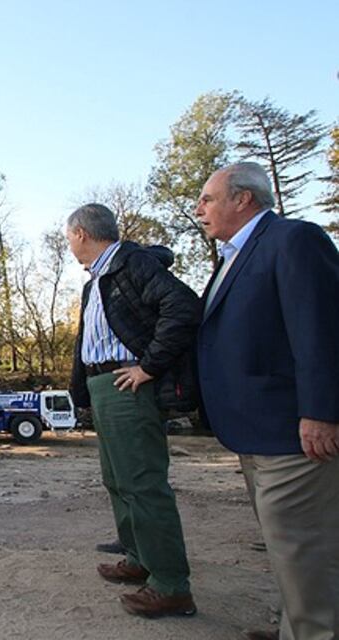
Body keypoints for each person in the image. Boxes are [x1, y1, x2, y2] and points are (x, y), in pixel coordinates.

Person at [195, 162, 339, 640]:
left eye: (208, 199)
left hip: (295, 435)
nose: (199, 209)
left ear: (244, 199)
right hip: (255, 435)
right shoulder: (233, 256)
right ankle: (294, 628)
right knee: (286, 552)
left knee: (305, 553)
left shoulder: (294, 240)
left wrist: (321, 412)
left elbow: (320, 331)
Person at [67, 203, 201, 618]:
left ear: (82, 234)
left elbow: (182, 308)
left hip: (128, 386)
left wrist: (149, 366)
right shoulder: (96, 282)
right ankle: (139, 557)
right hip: (103, 386)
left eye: (68, 236)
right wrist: (82, 394)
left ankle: (170, 584)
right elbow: (86, 345)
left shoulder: (132, 264)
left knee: (143, 483)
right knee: (117, 479)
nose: (68, 243)